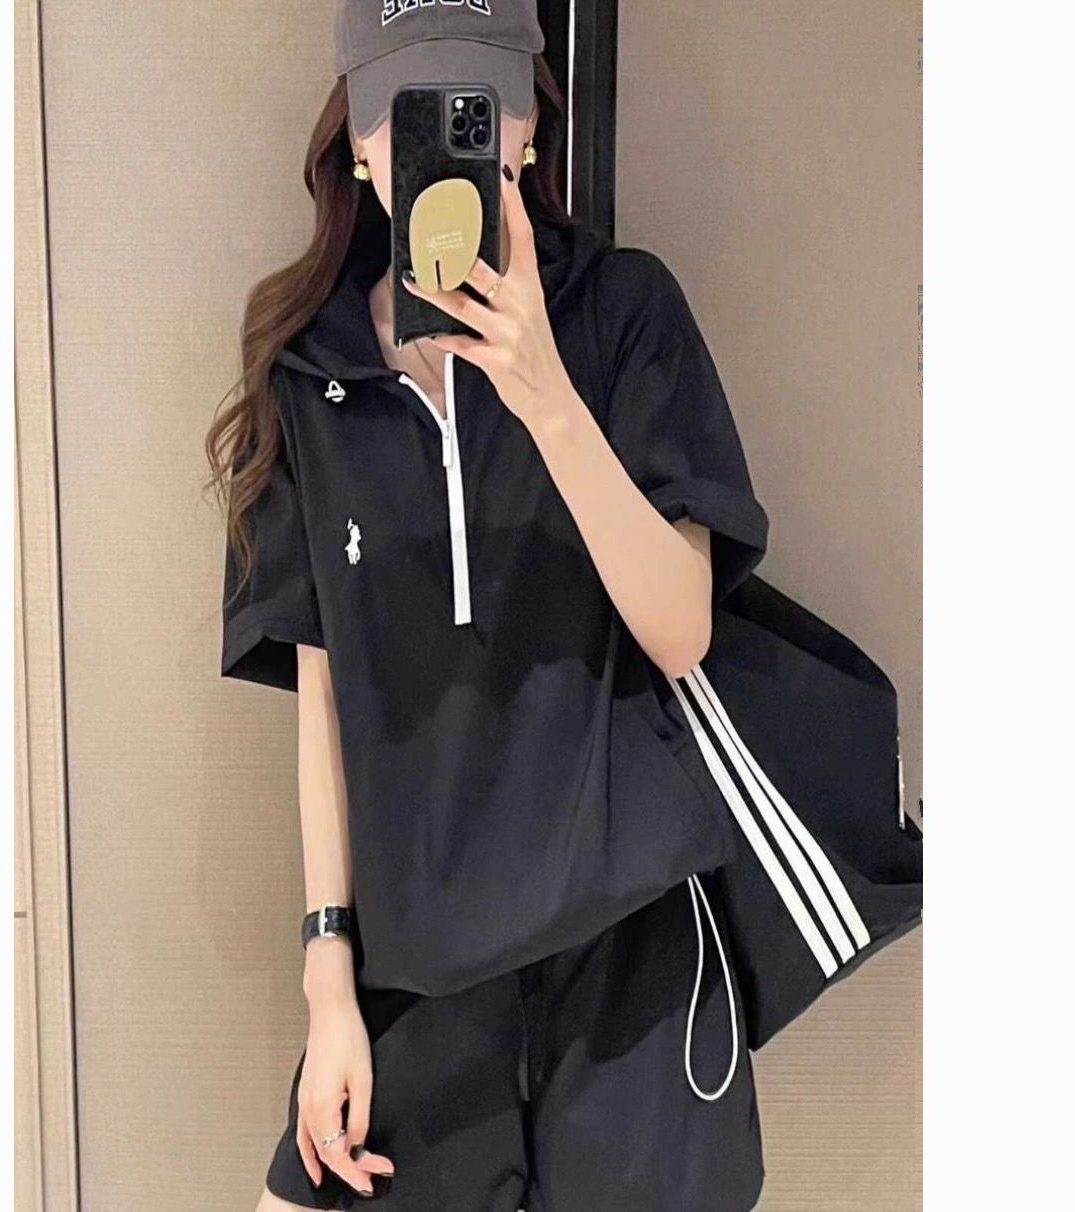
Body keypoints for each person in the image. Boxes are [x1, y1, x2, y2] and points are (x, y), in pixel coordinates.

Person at [207, 3, 770, 1208]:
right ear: (360, 144)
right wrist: (327, 980)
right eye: (404, 109)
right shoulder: (310, 370)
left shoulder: (621, 312)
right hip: (421, 973)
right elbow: (323, 703)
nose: (437, 135)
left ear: (523, 129)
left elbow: (681, 629)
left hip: (629, 966)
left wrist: (546, 395)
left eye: (473, 103)